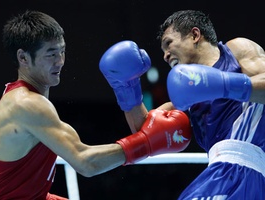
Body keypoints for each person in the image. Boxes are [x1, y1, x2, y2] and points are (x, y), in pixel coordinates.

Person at [0, 10, 192, 200]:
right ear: (23, 57)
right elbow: (86, 162)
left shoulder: (27, 98)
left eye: (62, 51)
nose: (60, 61)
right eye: (51, 54)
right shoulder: (26, 104)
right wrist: (145, 143)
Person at [99, 10, 265, 199]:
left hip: (241, 172)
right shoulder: (187, 96)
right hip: (226, 176)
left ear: (195, 35)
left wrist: (223, 85)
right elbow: (146, 130)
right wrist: (127, 88)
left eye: (168, 44)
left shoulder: (234, 51)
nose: (165, 56)